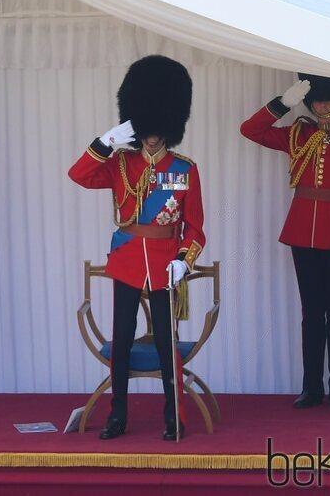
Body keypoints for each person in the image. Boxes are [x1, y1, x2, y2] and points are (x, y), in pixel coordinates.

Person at [69, 55, 205, 441]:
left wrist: (184, 259)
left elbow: (195, 227)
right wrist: (104, 142)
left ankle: (173, 416)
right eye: (146, 128)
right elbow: (78, 174)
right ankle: (118, 415)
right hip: (127, 260)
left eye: (157, 129)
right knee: (123, 341)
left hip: (165, 265)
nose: (151, 136)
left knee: (166, 343)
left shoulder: (184, 169)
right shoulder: (119, 164)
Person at [240, 74, 330, 410]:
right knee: (311, 313)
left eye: (327, 99)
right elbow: (250, 130)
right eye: (316, 99)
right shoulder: (297, 134)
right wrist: (281, 104)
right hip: (303, 233)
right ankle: (311, 387)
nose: (321, 104)